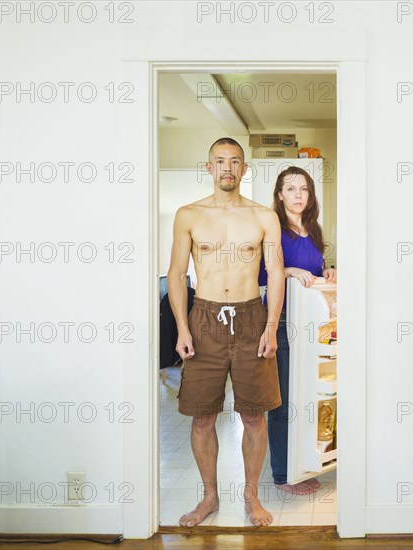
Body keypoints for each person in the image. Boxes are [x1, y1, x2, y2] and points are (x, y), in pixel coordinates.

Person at [167, 137, 285, 527]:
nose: (227, 168)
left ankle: (251, 498)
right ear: (209, 167)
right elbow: (177, 274)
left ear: (244, 168)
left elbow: (278, 273)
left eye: (235, 161)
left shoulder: (264, 216)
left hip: (253, 319)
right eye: (220, 161)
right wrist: (183, 327)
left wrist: (270, 327)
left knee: (254, 416)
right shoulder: (189, 214)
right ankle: (210, 497)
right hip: (205, 318)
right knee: (202, 417)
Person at [259, 166, 337, 495]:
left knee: (310, 399)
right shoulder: (274, 228)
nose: (298, 195)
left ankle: (302, 464)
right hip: (282, 326)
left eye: (303, 189)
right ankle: (281, 474)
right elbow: (262, 275)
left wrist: (329, 271)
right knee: (283, 403)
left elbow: (316, 274)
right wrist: (286, 270)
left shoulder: (313, 229)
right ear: (279, 194)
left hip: (313, 329)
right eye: (291, 189)